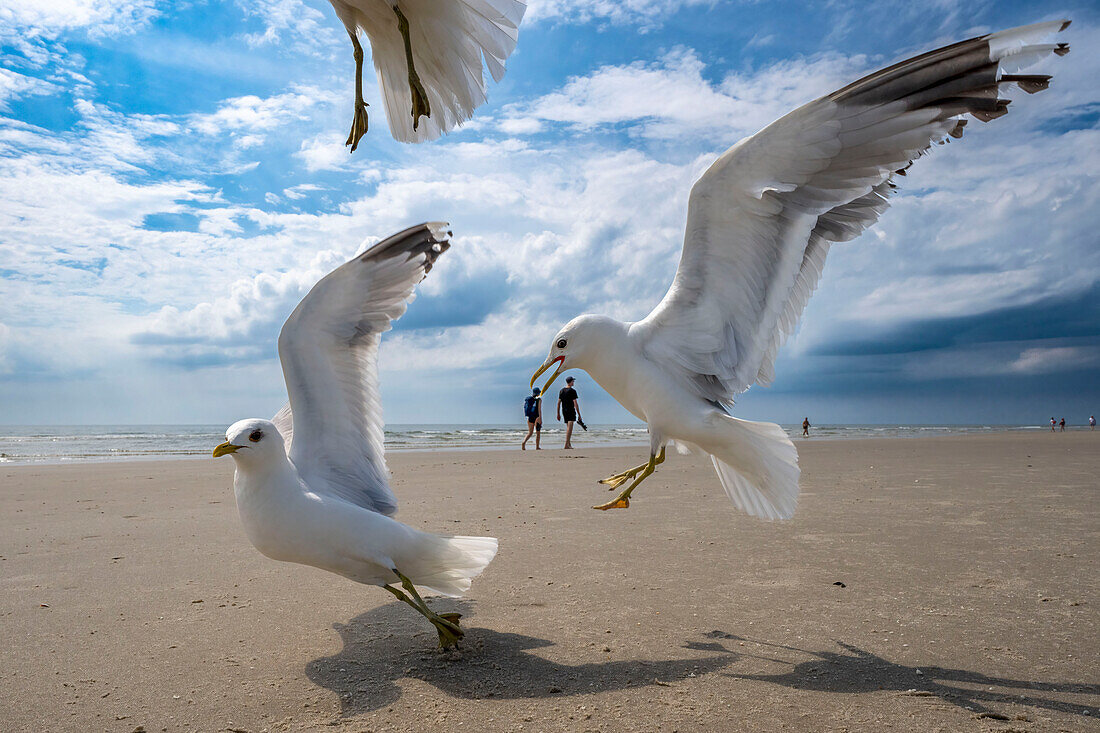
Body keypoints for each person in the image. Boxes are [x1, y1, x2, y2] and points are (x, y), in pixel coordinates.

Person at [557, 376, 580, 449]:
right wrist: (579, 414)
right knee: (569, 429)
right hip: (571, 410)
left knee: (568, 428)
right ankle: (566, 444)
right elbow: (575, 403)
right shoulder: (572, 391)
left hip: (564, 411)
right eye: (573, 381)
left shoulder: (561, 390)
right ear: (570, 382)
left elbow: (558, 403)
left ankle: (569, 444)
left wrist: (558, 413)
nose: (573, 382)